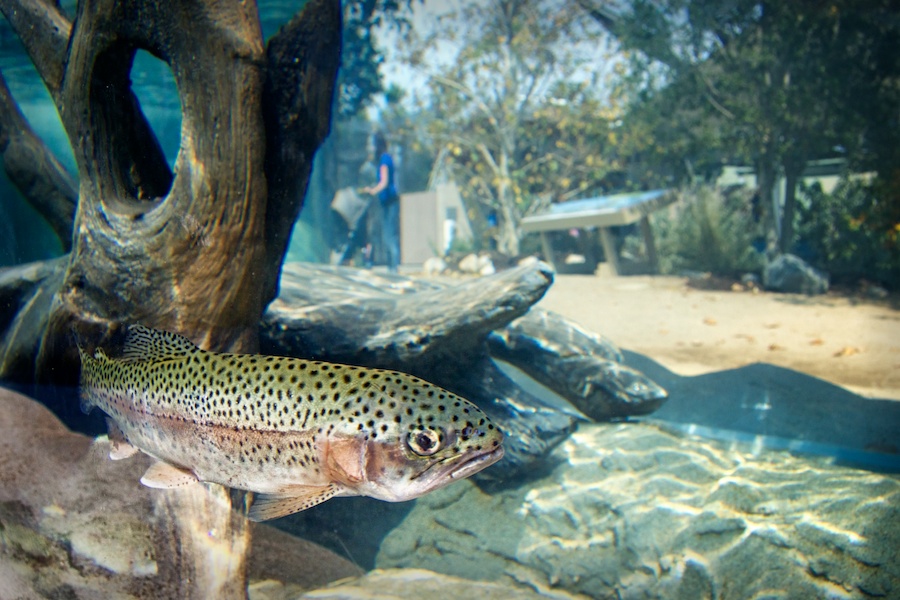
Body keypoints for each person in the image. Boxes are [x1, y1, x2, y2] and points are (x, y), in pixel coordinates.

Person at [364, 131, 400, 272]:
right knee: (388, 235)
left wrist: (373, 190)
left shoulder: (384, 160)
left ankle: (393, 267)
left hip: (390, 201)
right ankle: (392, 266)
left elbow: (384, 182)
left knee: (389, 235)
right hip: (387, 202)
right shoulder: (386, 158)